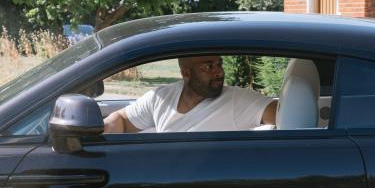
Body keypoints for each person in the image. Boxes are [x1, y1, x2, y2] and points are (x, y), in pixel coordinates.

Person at [104, 55, 277, 133]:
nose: (219, 72)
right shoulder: (161, 98)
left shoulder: (236, 100)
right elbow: (122, 119)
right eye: (208, 67)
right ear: (186, 73)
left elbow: (284, 114)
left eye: (219, 64)